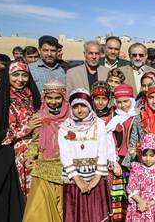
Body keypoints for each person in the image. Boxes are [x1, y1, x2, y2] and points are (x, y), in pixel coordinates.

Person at [0, 60, 41, 222]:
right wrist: (26, 128)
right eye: (15, 74)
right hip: (12, 156)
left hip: (35, 153)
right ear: (8, 76)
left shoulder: (32, 96)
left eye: (24, 75)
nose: (20, 79)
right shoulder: (2, 100)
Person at [58, 88, 111, 222]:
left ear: (89, 106)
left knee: (96, 212)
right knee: (77, 213)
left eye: (83, 106)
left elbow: (103, 151)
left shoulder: (99, 124)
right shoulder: (64, 127)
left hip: (95, 177)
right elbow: (65, 155)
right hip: (74, 179)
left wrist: (96, 178)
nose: (80, 110)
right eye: (75, 106)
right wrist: (78, 180)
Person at [23, 79, 70, 221]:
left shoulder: (70, 118)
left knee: (63, 207)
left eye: (57, 98)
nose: (53, 101)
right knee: (40, 210)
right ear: (44, 97)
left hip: (65, 168)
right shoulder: (39, 117)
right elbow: (36, 140)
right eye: (49, 97)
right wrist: (29, 157)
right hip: (43, 167)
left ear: (64, 98)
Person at [106, 83, 138, 222]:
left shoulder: (138, 116)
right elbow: (108, 140)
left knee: (133, 194)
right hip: (118, 161)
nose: (123, 105)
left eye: (126, 101)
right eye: (119, 102)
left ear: (131, 100)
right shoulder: (113, 118)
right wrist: (113, 161)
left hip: (134, 161)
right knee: (118, 197)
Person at [126, 133, 155, 221]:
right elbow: (131, 188)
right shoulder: (136, 168)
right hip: (139, 207)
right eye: (145, 155)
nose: (147, 159)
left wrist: (151, 203)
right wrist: (140, 201)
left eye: (152, 155)